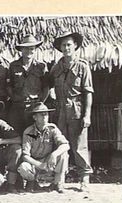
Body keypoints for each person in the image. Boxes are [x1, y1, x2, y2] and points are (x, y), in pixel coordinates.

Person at [50, 30, 94, 192]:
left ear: (75, 46)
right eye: (63, 45)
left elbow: (88, 92)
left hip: (77, 110)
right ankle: (60, 179)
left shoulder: (83, 67)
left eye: (69, 44)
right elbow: (48, 86)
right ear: (60, 48)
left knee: (79, 146)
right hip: (60, 110)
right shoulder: (56, 68)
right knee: (61, 144)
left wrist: (87, 115)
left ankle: (84, 179)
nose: (66, 47)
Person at [18, 102, 70, 193]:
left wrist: (54, 154)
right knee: (23, 167)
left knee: (63, 154)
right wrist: (40, 165)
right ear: (35, 117)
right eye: (41, 114)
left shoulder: (52, 129)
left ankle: (58, 183)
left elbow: (66, 145)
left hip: (49, 161)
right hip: (35, 163)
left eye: (46, 114)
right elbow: (25, 156)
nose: (45, 116)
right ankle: (32, 183)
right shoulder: (28, 132)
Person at [8, 34, 49, 134]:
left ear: (35, 50)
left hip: (34, 108)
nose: (29, 51)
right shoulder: (13, 66)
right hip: (17, 107)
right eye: (25, 48)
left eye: (31, 48)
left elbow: (46, 87)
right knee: (16, 134)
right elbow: (8, 86)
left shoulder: (41, 66)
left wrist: (40, 103)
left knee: (33, 135)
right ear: (21, 50)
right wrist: (15, 98)